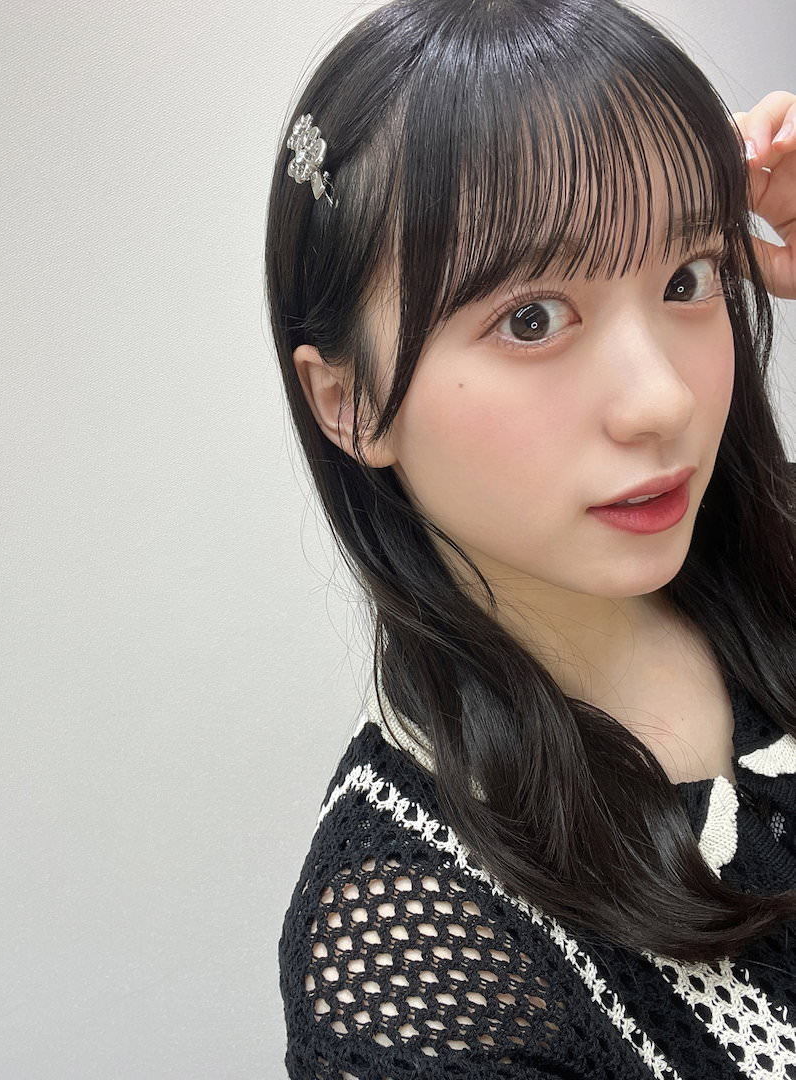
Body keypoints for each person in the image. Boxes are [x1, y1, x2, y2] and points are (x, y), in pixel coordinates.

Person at [263, 1, 796, 1075]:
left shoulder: (770, 573)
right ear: (350, 403)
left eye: (686, 278)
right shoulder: (418, 948)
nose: (661, 402)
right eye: (532, 319)